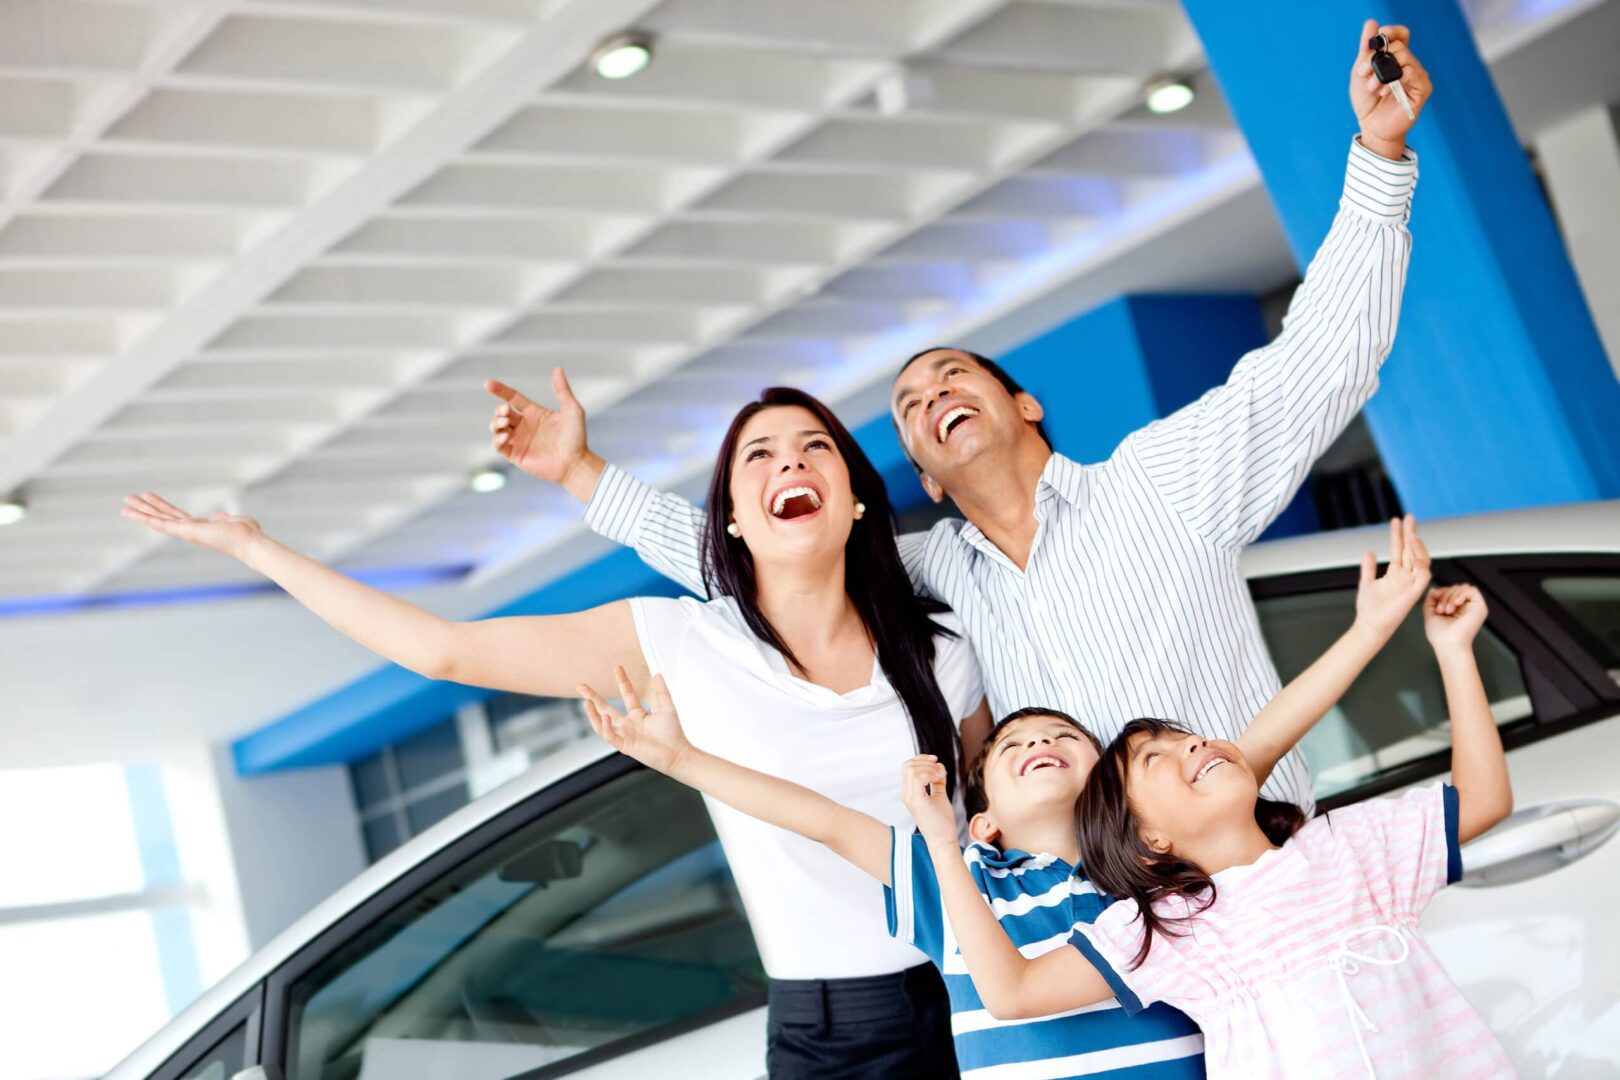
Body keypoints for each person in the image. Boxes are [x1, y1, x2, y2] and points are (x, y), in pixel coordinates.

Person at [486, 20, 1434, 819]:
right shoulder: (930, 575)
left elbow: (1319, 359)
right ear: (926, 477)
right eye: (909, 407)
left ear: (1025, 406)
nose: (932, 394)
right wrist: (580, 475)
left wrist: (1380, 160)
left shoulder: (1159, 482)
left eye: (951, 376)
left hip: (1252, 858)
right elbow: (758, 556)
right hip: (1105, 920)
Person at [122, 387, 989, 1078]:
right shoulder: (681, 641)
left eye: (814, 448)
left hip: (985, 982)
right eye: (758, 456)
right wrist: (255, 549)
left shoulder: (944, 653)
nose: (788, 463)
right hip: (834, 1030)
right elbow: (444, 651)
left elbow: (1001, 825)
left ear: (855, 501)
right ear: (730, 517)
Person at [583, 519, 1440, 1077]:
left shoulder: (1153, 854)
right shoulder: (957, 882)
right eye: (1011, 746)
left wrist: (1370, 628)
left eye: (1063, 737)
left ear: (1106, 779)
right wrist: (684, 758)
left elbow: (1259, 740)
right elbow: (819, 818)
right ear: (980, 810)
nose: (1038, 743)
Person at [899, 580, 1515, 1074]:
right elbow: (1014, 994)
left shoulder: (1347, 847)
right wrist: (939, 839)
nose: (1192, 745)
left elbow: (1482, 799)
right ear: (1149, 839)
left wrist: (1453, 650)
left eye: (1188, 737)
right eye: (1154, 758)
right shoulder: (1168, 927)